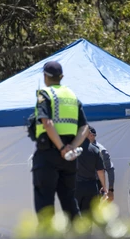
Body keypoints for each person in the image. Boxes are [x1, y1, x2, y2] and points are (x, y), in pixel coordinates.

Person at [32, 61, 89, 226]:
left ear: (45, 76)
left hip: (48, 153)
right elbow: (84, 126)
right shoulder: (72, 96)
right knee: (69, 202)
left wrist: (61, 148)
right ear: (61, 77)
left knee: (45, 205)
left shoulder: (44, 94)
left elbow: (47, 122)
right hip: (69, 157)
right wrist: (72, 147)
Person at [75, 136, 107, 215]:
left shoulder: (72, 149)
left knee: (74, 215)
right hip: (91, 186)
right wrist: (104, 186)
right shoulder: (95, 149)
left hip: (75, 186)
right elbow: (100, 171)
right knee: (88, 216)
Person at [87, 126, 115, 201]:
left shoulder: (101, 150)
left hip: (96, 185)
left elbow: (110, 169)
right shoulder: (81, 148)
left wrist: (110, 190)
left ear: (91, 135)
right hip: (82, 184)